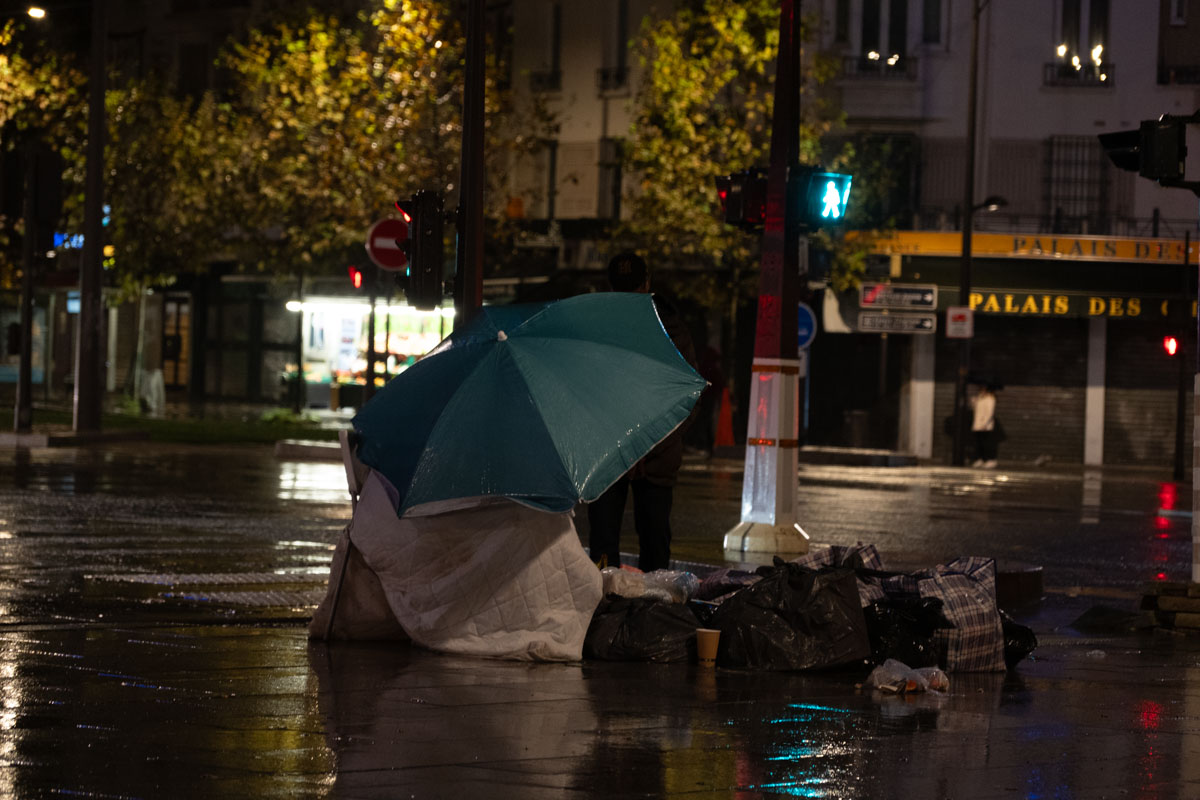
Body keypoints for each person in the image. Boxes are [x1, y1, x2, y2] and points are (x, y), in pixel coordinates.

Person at [587, 252, 699, 572]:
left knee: (630, 543)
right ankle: (632, 610)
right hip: (624, 454)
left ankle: (628, 608)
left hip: (628, 453)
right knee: (632, 543)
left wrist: (653, 444)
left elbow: (688, 393)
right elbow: (689, 394)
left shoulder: (601, 327)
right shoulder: (669, 326)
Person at [970, 383, 999, 468]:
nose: (981, 390)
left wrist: (984, 424)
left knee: (987, 443)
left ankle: (990, 459)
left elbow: (990, 413)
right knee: (979, 443)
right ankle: (980, 459)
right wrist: (974, 402)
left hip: (985, 426)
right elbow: (975, 410)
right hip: (977, 424)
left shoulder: (990, 398)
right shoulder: (979, 398)